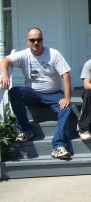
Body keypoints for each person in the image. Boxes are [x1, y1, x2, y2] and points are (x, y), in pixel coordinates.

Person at [0, 27, 73, 159]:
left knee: (66, 109)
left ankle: (58, 146)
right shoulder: (24, 54)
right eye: (32, 40)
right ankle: (25, 130)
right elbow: (5, 60)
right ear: (27, 41)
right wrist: (4, 75)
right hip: (33, 94)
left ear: (42, 40)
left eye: (38, 40)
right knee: (14, 91)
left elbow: (66, 75)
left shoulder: (53, 54)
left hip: (53, 94)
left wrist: (67, 97)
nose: (36, 43)